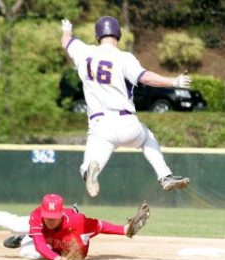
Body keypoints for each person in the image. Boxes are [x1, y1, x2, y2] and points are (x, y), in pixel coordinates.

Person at [61, 16, 191, 198]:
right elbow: (145, 77)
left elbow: (66, 41)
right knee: (147, 138)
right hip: (127, 122)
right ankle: (165, 175)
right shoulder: (124, 58)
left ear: (98, 35)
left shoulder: (84, 52)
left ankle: (92, 170)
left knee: (88, 166)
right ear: (118, 34)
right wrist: (173, 81)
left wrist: (67, 28)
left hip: (99, 126)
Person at [0, 193, 150, 260]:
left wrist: (124, 230)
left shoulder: (78, 222)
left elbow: (101, 226)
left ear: (61, 215)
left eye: (53, 218)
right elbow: (41, 246)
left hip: (61, 241)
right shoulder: (37, 216)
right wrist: (58, 259)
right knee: (16, 224)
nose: (49, 220)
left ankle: (24, 239)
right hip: (45, 241)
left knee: (26, 252)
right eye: (47, 217)